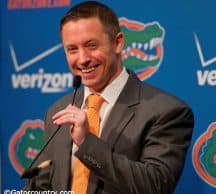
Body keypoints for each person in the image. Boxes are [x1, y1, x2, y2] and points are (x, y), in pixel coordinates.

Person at [24, 1, 194, 193]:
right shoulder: (58, 110)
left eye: (91, 45)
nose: (82, 59)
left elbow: (155, 185)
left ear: (118, 42)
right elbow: (41, 183)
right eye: (72, 49)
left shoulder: (167, 111)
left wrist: (86, 142)